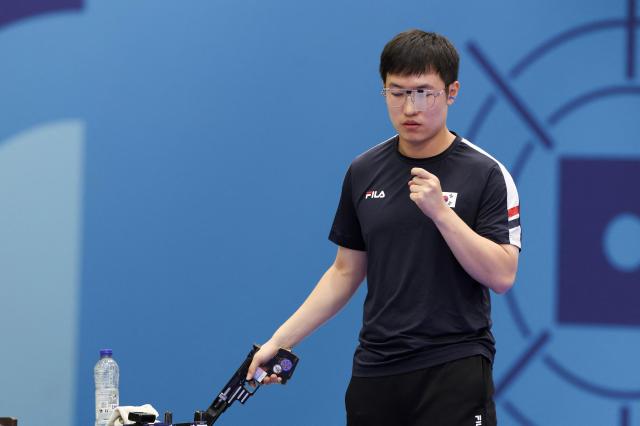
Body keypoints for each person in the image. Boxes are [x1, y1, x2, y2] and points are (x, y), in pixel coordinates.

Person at [246, 29, 521, 426]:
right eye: (397, 92)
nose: (411, 107)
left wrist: (441, 213)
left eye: (424, 92)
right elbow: (344, 272)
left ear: (452, 92)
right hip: (375, 370)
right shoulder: (363, 171)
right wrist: (280, 340)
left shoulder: (487, 174)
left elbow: (501, 274)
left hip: (453, 367)